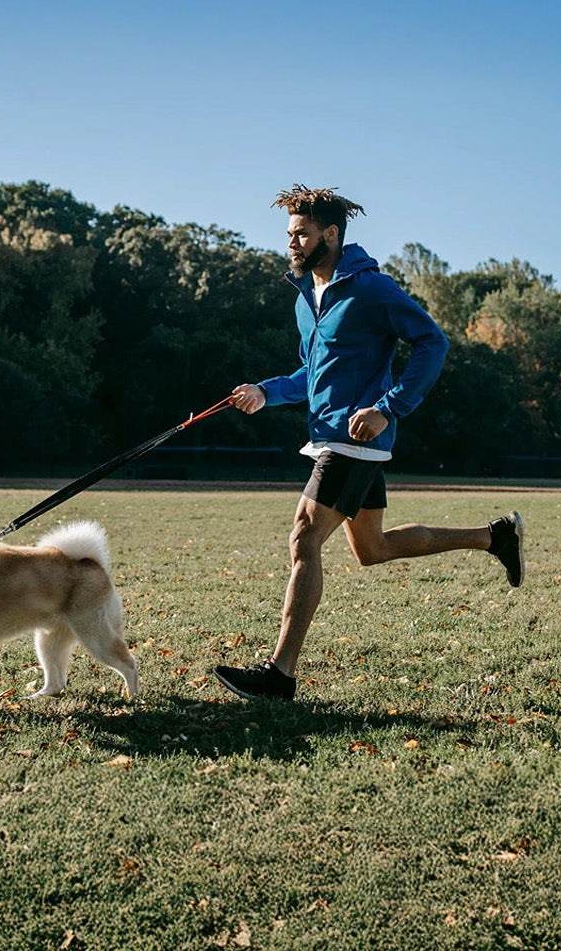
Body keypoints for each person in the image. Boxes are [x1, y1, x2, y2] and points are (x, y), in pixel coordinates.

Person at [214, 185, 525, 701]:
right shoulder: (307, 297)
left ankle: (279, 675)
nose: (292, 243)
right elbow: (312, 375)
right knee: (372, 549)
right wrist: (265, 393)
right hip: (332, 436)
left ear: (330, 234)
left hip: (351, 440)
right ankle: (494, 537)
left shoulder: (371, 289)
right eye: (289, 234)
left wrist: (389, 407)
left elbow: (433, 341)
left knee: (304, 539)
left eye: (302, 234)